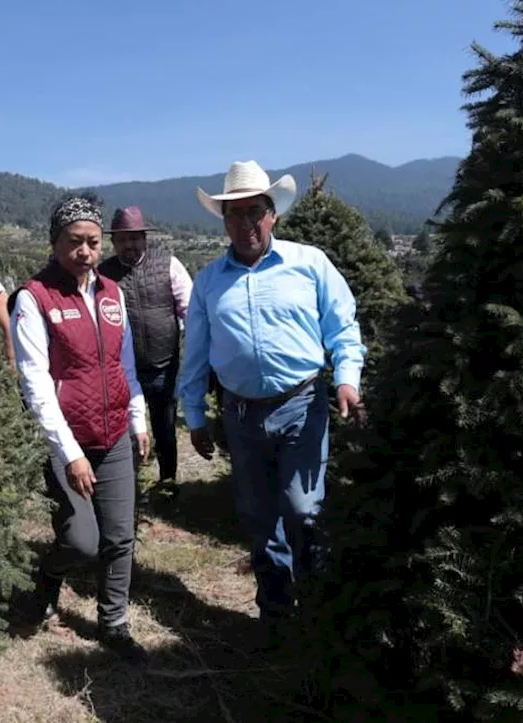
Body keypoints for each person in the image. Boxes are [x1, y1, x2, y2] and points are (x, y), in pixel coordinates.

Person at [177, 160, 367, 648]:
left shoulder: (310, 264)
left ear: (273, 214)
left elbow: (342, 327)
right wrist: (195, 415)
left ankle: (319, 602)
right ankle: (277, 616)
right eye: (234, 215)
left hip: (301, 406)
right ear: (224, 222)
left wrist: (346, 379)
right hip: (239, 414)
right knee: (260, 518)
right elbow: (195, 353)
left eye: (254, 213)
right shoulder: (209, 281)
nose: (246, 224)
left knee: (303, 509)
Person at [11, 192, 151, 663]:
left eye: (93, 242)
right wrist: (68, 451)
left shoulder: (112, 293)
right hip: (65, 439)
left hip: (113, 436)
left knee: (120, 538)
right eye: (75, 242)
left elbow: (124, 362)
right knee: (81, 541)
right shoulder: (35, 298)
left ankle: (113, 623)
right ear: (55, 242)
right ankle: (49, 576)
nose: (86, 252)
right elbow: (35, 383)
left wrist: (138, 417)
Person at [97, 206, 192, 499]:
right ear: (114, 242)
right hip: (123, 368)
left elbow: (189, 307)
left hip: (164, 362)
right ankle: (129, 482)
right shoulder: (103, 275)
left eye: (135, 238)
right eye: (123, 239)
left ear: (144, 238)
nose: (129, 245)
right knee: (124, 426)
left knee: (164, 423)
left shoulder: (168, 265)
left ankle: (167, 479)